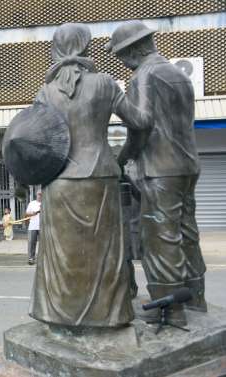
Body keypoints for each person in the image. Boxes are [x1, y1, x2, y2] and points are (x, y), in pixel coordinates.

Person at [29, 23, 134, 327]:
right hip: (100, 177)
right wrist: (123, 156)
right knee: (104, 256)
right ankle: (109, 317)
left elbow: (33, 137)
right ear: (85, 47)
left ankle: (58, 316)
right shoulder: (104, 83)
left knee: (63, 260)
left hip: (59, 181)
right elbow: (139, 121)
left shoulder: (46, 92)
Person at [108, 21, 207, 322]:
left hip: (160, 169)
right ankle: (195, 298)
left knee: (160, 236)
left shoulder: (143, 76)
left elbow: (141, 124)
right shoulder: (178, 74)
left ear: (134, 50)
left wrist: (123, 156)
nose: (122, 63)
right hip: (187, 165)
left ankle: (171, 309)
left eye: (122, 56)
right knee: (186, 233)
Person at [25, 192, 41, 265]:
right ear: (36, 195)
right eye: (39, 194)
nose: (40, 196)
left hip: (43, 226)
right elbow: (27, 213)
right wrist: (33, 213)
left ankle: (43, 259)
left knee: (43, 244)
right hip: (33, 226)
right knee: (32, 243)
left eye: (41, 194)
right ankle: (31, 258)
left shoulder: (46, 203)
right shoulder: (32, 203)